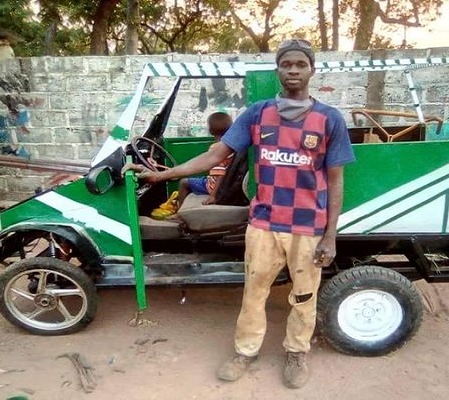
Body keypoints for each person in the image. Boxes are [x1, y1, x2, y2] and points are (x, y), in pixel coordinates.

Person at [123, 39, 355, 388]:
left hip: (307, 226)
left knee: (305, 295)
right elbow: (216, 154)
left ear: (311, 69)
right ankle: (245, 351)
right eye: (286, 64)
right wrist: (164, 175)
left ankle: (296, 352)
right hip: (263, 223)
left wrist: (330, 234)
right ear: (278, 69)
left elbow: (336, 180)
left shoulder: (329, 119)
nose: (293, 70)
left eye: (300, 64)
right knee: (254, 292)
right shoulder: (258, 113)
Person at [150, 112, 234, 219]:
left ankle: (179, 214)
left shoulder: (216, 149)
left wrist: (213, 196)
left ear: (210, 130)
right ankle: (180, 204)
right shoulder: (231, 146)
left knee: (184, 182)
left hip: (212, 186)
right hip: (218, 183)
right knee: (190, 180)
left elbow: (221, 172)